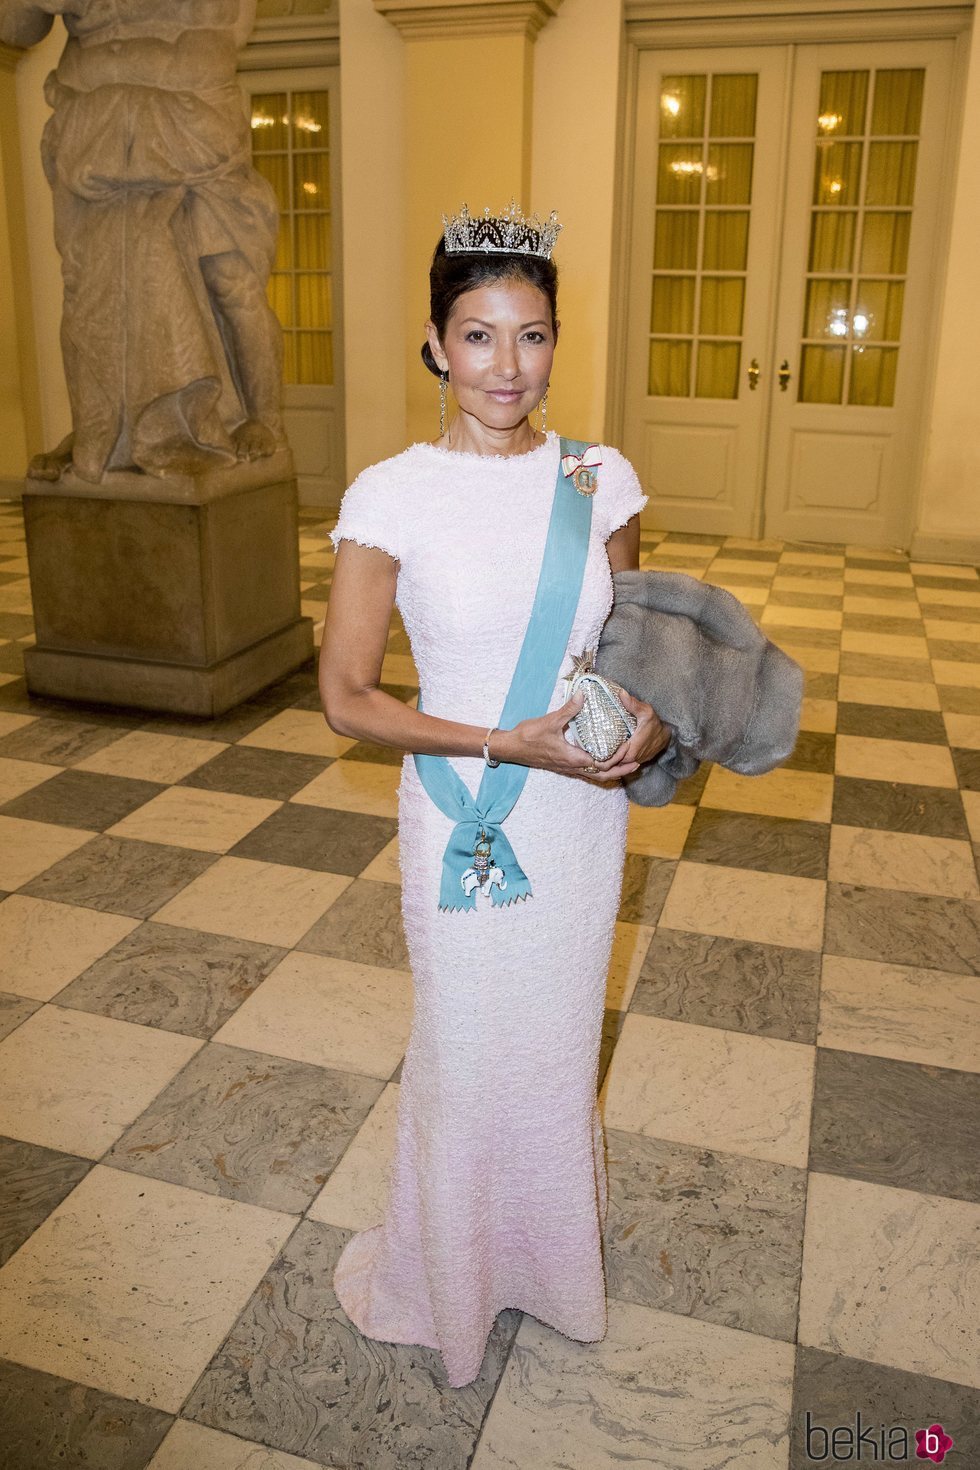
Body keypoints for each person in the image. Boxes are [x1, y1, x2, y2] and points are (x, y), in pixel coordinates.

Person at [318, 203, 669, 1389]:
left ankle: (549, 1263)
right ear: (432, 343)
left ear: (557, 342)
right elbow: (348, 698)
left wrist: (647, 717)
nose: (506, 367)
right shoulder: (389, 494)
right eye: (477, 336)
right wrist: (502, 745)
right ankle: (451, 1277)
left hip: (580, 814)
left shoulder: (597, 477)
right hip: (472, 811)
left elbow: (630, 645)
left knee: (558, 1043)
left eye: (531, 336)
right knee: (467, 1050)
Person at [0, 0, 284, 482]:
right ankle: (102, 429)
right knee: (87, 283)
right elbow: (16, 27)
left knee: (228, 279)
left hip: (187, 108)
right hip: (88, 119)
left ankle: (262, 420)